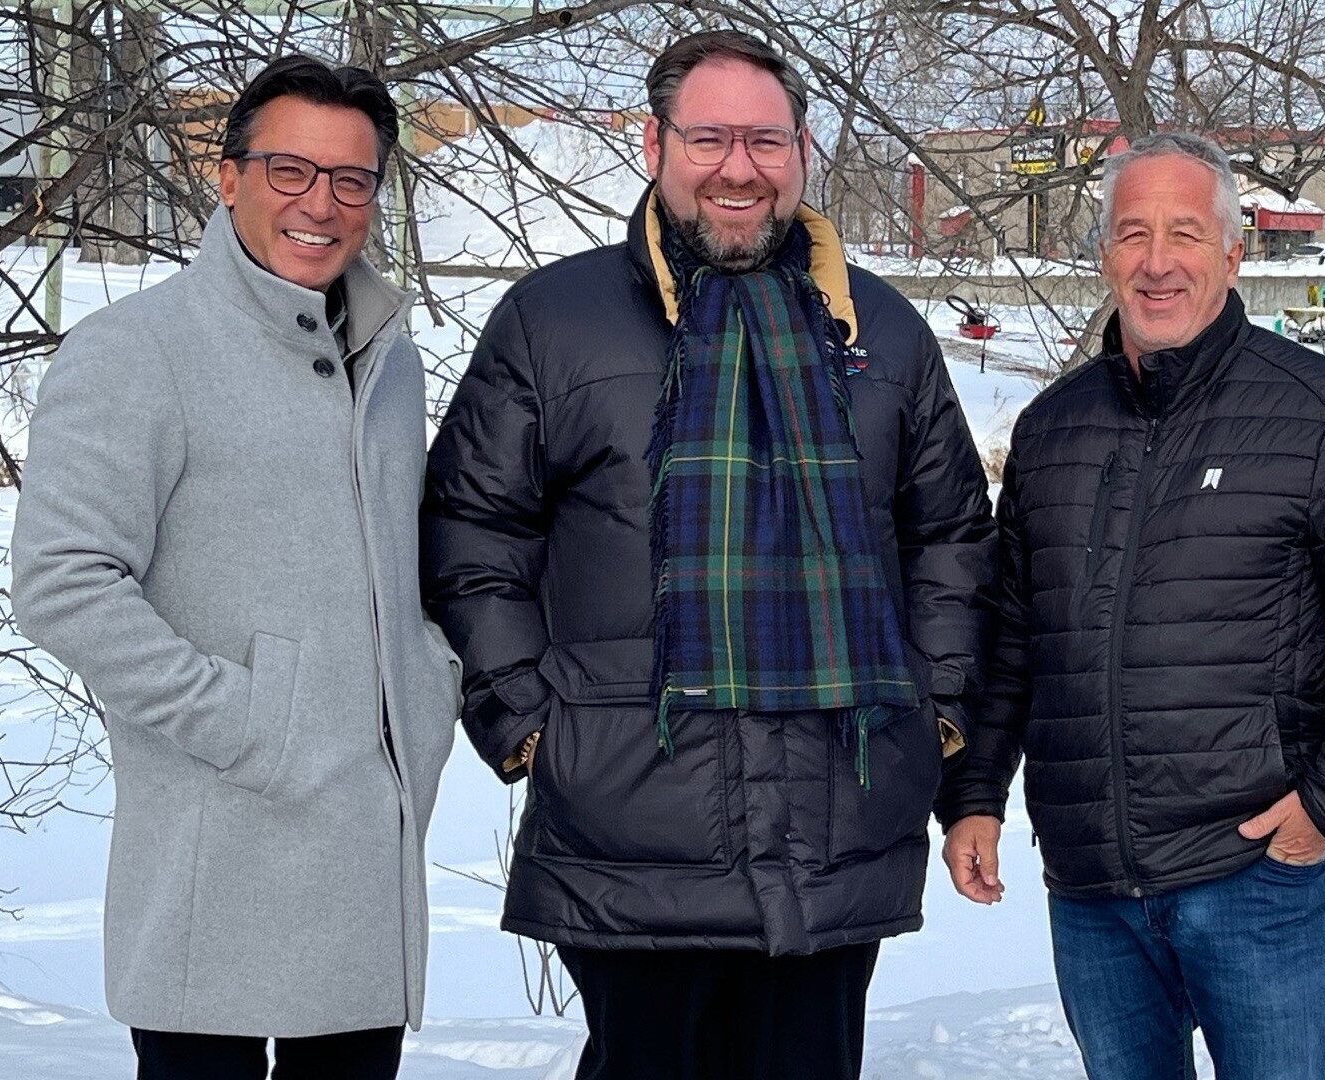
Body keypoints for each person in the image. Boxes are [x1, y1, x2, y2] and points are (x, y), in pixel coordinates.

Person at [420, 29, 993, 1080]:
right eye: (711, 137)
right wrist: (534, 725)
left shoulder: (885, 334)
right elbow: (471, 528)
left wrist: (935, 707)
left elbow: (949, 535)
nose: (740, 167)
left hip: (836, 816)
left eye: (766, 141)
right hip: (631, 814)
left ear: (802, 151)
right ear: (655, 143)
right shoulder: (555, 321)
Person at [938, 131, 1325, 1080]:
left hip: (1251, 870)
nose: (1157, 261)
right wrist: (972, 795)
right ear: (1104, 255)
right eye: (1133, 234)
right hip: (1089, 884)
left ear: (1232, 251)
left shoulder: (1322, 411)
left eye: (1184, 232)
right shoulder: (1052, 428)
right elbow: (1010, 637)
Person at [12, 55, 461, 1080]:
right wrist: (255, 723)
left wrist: (428, 685)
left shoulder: (389, 358)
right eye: (290, 170)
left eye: (351, 179)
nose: (322, 203)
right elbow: (62, 580)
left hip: (360, 855)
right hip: (216, 853)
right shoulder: (137, 350)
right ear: (229, 176)